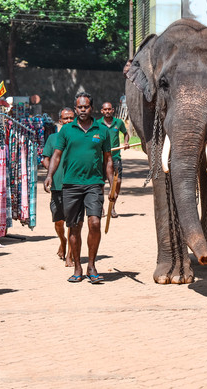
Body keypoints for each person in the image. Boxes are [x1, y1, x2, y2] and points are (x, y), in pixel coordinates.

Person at [44, 92, 113, 284]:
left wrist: (112, 185)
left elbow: (108, 160)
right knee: (74, 227)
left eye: (86, 107)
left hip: (94, 183)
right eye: (79, 107)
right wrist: (49, 175)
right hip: (71, 185)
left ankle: (91, 266)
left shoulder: (102, 130)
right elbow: (56, 155)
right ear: (75, 109)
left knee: (95, 223)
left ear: (92, 108)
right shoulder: (67, 131)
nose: (83, 110)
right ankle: (77, 267)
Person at [41, 107, 75, 266]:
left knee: (72, 222)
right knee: (58, 222)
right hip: (56, 186)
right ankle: (63, 241)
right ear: (60, 121)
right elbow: (45, 158)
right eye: (65, 118)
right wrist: (50, 173)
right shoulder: (53, 138)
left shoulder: (78, 138)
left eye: (71, 118)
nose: (68, 121)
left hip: (74, 186)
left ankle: (70, 255)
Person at [96, 101, 129, 218]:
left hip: (115, 157)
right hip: (101, 158)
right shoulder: (97, 123)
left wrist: (126, 142)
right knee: (100, 184)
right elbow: (93, 136)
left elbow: (126, 133)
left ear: (113, 110)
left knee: (117, 182)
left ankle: (112, 207)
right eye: (105, 109)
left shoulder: (118, 122)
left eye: (109, 109)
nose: (107, 111)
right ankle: (100, 208)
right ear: (102, 111)